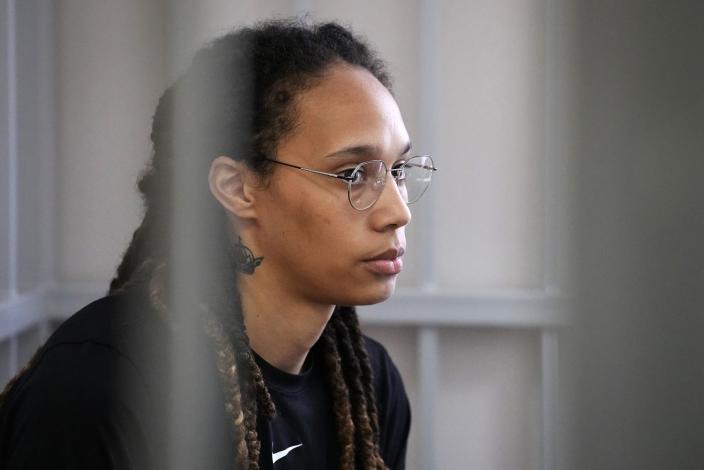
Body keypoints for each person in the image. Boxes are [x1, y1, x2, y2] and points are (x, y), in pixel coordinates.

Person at [0, 19, 436, 470]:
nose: (398, 212)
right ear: (237, 187)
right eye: (352, 174)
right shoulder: (103, 382)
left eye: (398, 170)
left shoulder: (368, 382)